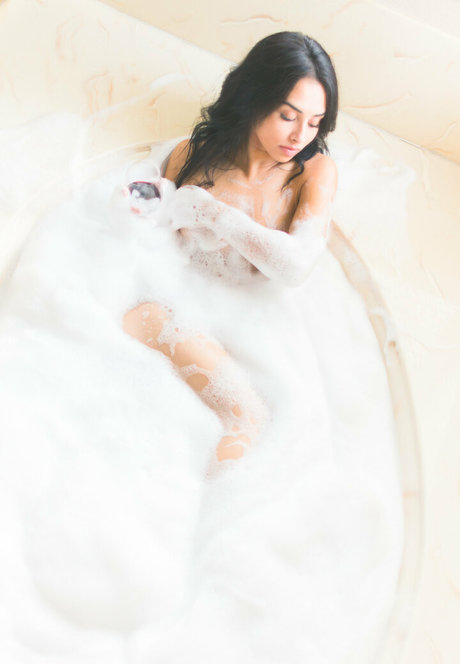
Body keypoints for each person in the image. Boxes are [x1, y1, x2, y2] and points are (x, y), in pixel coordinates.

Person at [122, 31, 339, 469]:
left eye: (315, 122)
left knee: (267, 424)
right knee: (248, 419)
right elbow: (145, 236)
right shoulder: (193, 155)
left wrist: (213, 212)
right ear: (254, 97)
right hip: (163, 311)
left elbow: (295, 266)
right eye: (287, 115)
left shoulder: (311, 173)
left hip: (247, 331)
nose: (300, 135)